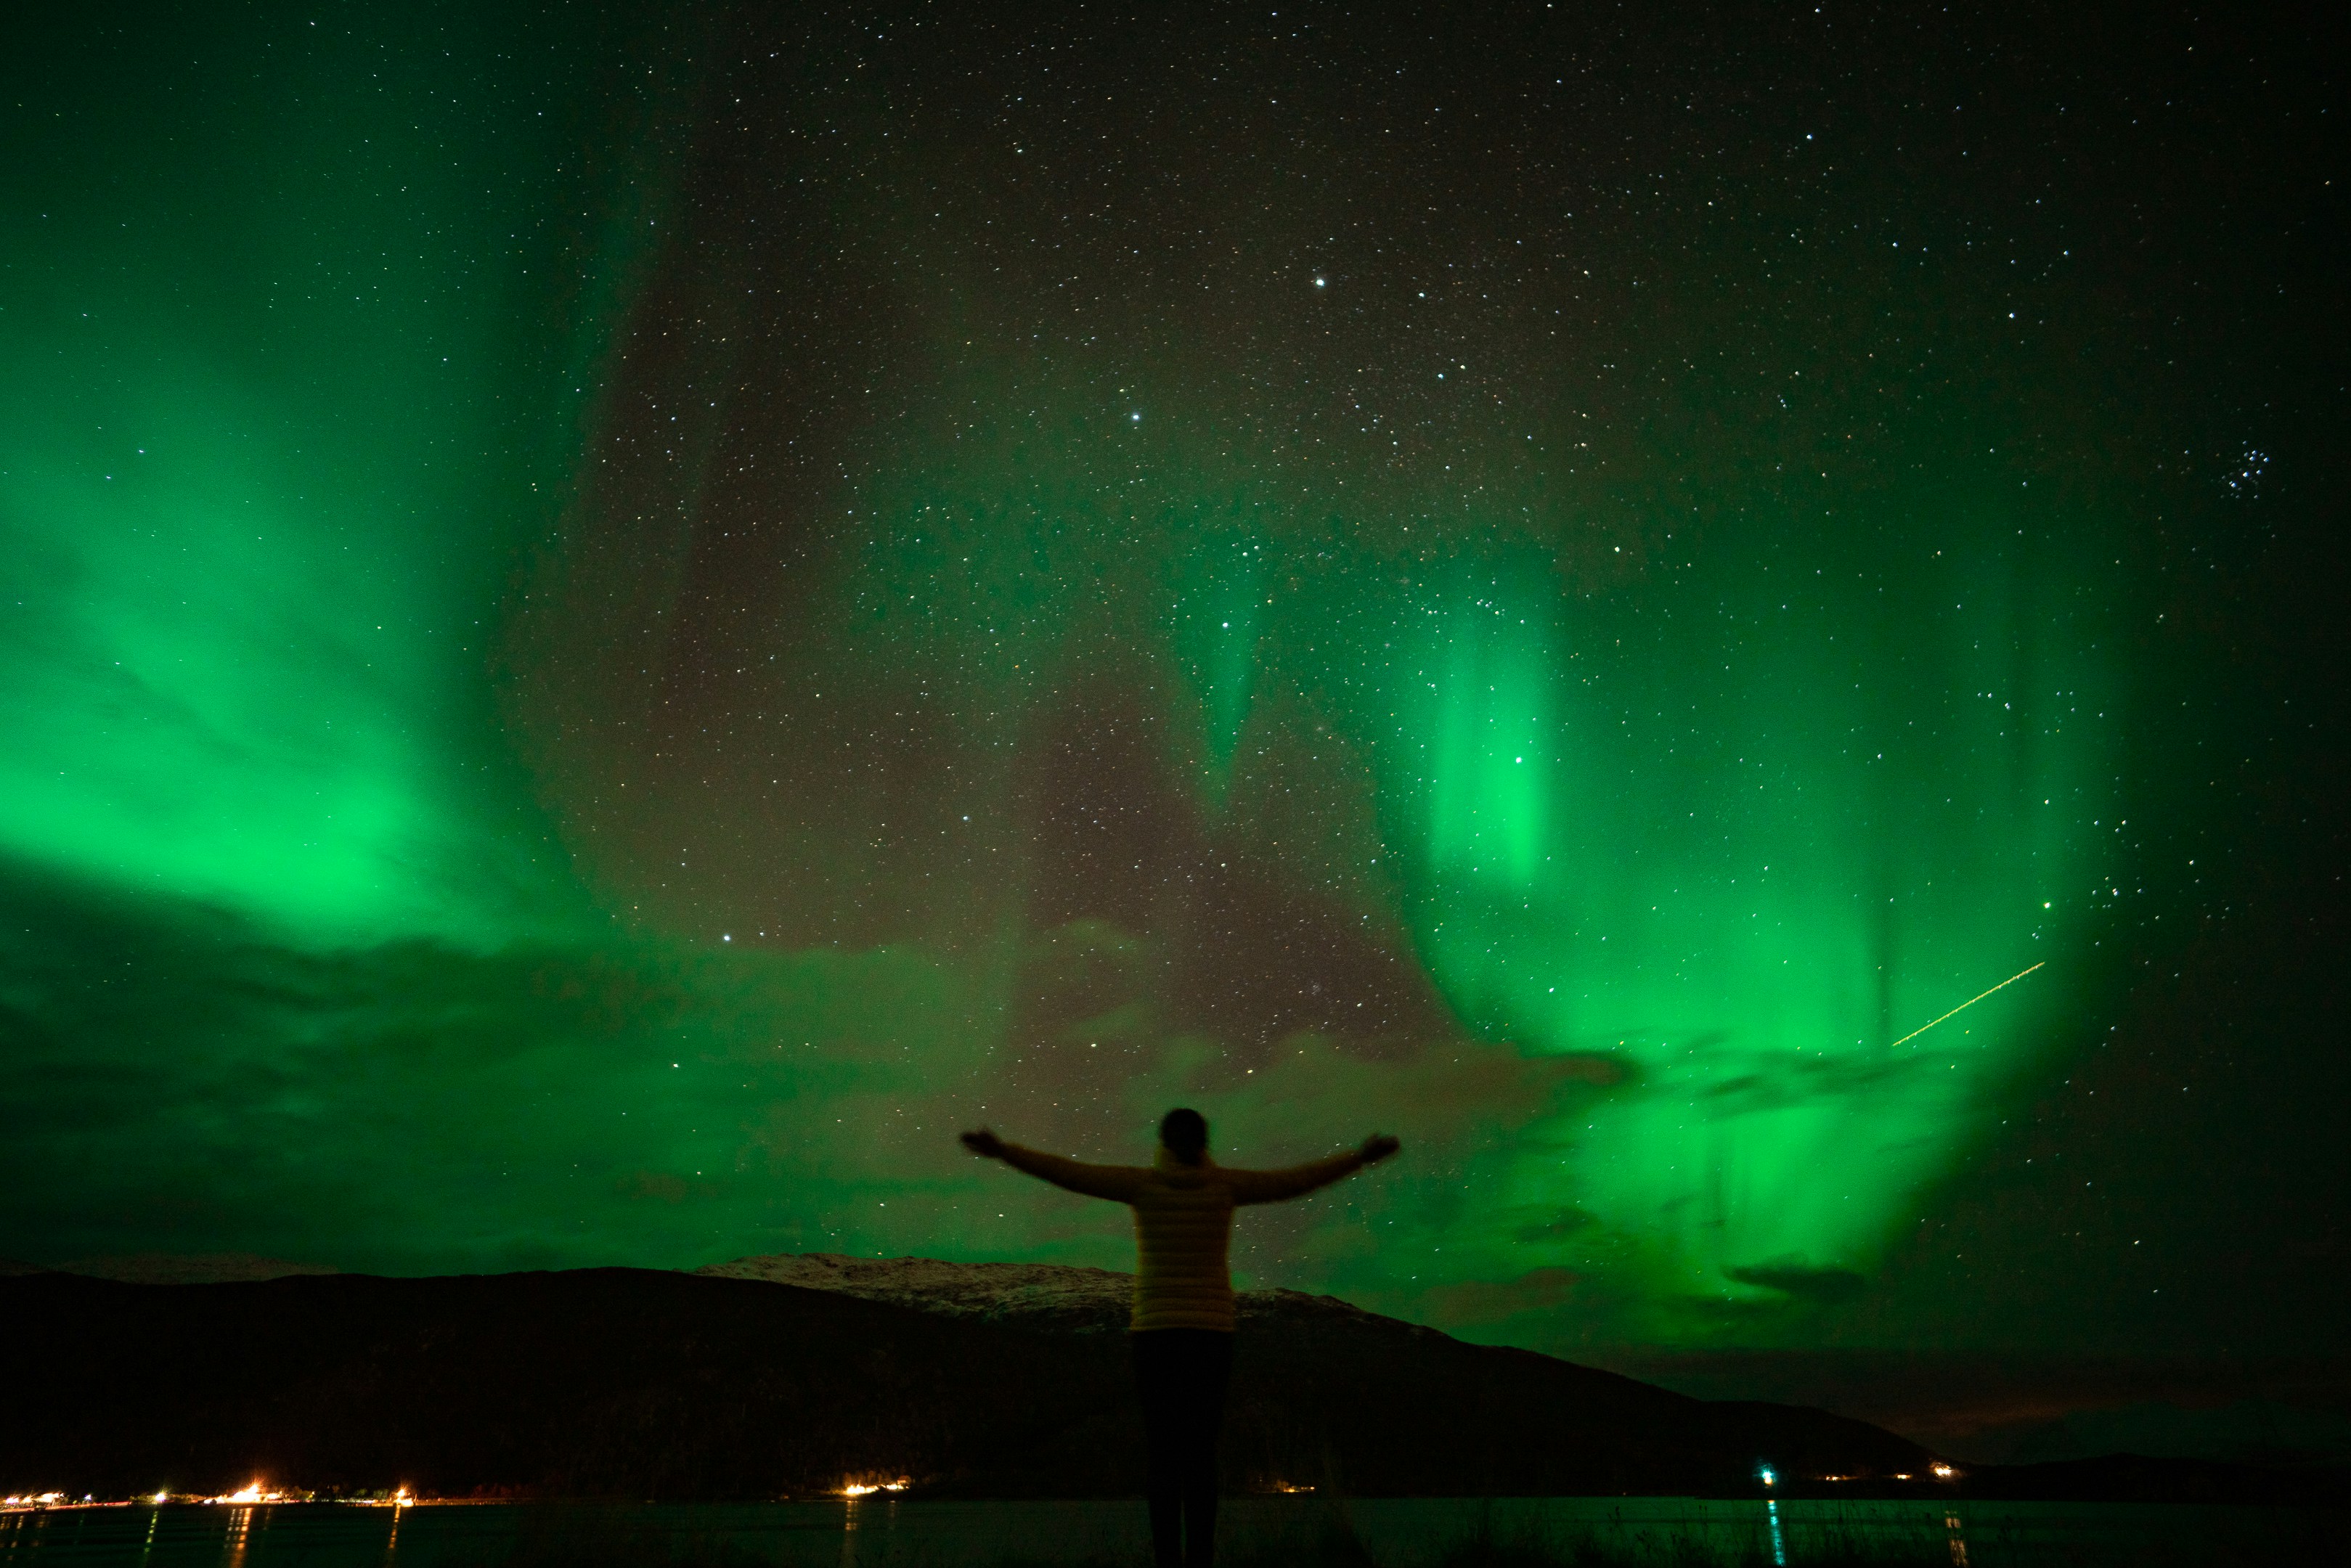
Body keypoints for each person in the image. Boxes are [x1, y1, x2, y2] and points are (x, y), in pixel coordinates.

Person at [961, 1109, 1401, 1568]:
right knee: (1201, 1454)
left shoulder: (1142, 1185)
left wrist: (1004, 1152)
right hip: (1210, 1336)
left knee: (1164, 1455)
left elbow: (1070, 1174)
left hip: (1156, 1335)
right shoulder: (1224, 1185)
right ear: (1204, 1143)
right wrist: (1358, 1158)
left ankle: (1169, 1560)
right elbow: (1294, 1181)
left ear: (1164, 1143)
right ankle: (1200, 1559)